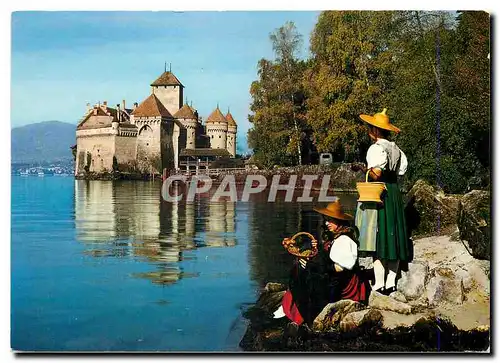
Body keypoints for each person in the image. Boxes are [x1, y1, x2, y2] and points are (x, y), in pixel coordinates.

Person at [273, 199, 369, 326]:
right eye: (326, 219)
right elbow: (327, 257)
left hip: (342, 283)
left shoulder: (344, 240)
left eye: (331, 220)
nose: (327, 222)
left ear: (340, 222)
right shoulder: (334, 236)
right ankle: (289, 307)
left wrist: (317, 268)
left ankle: (297, 313)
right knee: (299, 270)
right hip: (335, 277)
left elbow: (343, 268)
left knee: (306, 278)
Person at [353, 108, 411, 295]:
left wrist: (364, 169)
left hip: (380, 193)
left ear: (376, 131)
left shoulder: (376, 148)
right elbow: (400, 172)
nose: (369, 131)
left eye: (370, 128)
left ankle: (379, 283)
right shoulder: (397, 150)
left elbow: (377, 173)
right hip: (394, 192)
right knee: (393, 235)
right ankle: (392, 282)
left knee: (378, 236)